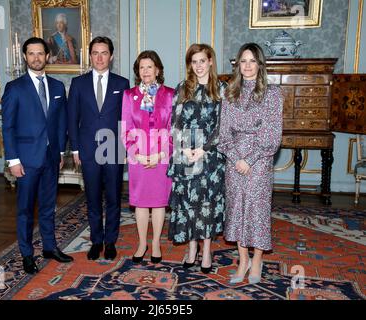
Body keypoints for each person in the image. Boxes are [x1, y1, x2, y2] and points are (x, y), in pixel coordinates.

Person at [1, 37, 73, 275]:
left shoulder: (57, 87)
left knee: (47, 207)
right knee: (25, 210)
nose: (36, 58)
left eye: (40, 53)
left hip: (51, 158)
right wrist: (13, 160)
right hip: (26, 161)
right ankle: (27, 254)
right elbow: (8, 127)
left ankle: (50, 247)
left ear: (47, 56)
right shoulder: (14, 88)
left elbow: (61, 121)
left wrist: (61, 151)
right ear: (25, 57)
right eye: (31, 54)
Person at [217, 42, 283, 284]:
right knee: (235, 210)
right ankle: (242, 260)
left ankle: (257, 261)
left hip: (260, 162)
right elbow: (223, 135)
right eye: (243, 61)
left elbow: (272, 135)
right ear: (237, 64)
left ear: (260, 64)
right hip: (234, 162)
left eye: (252, 61)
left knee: (256, 210)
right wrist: (236, 158)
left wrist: (251, 159)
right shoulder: (229, 93)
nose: (247, 66)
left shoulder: (272, 94)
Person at [67, 36, 130, 261]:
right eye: (95, 53)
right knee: (92, 198)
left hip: (114, 149)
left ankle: (110, 241)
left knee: (113, 197)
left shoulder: (122, 84)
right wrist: (75, 149)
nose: (100, 57)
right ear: (90, 56)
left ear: (111, 56)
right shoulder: (78, 83)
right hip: (87, 150)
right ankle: (96, 241)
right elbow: (72, 119)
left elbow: (126, 119)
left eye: (104, 53)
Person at [168, 44, 227, 274]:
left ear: (211, 61)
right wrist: (184, 149)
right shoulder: (182, 88)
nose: (199, 66)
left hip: (210, 157)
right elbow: (175, 122)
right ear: (189, 64)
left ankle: (207, 250)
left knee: (206, 205)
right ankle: (192, 249)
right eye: (194, 61)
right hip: (185, 156)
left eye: (203, 60)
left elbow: (224, 125)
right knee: (187, 204)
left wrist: (203, 149)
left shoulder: (222, 89)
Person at [121, 50, 174, 264]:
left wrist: (162, 153)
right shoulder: (129, 95)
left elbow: (173, 128)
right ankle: (142, 243)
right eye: (141, 67)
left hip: (162, 156)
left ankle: (156, 243)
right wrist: (138, 154)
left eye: (149, 67)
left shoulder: (170, 94)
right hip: (138, 158)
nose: (145, 71)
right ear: (137, 71)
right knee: (141, 203)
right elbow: (126, 127)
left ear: (158, 70)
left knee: (159, 203)